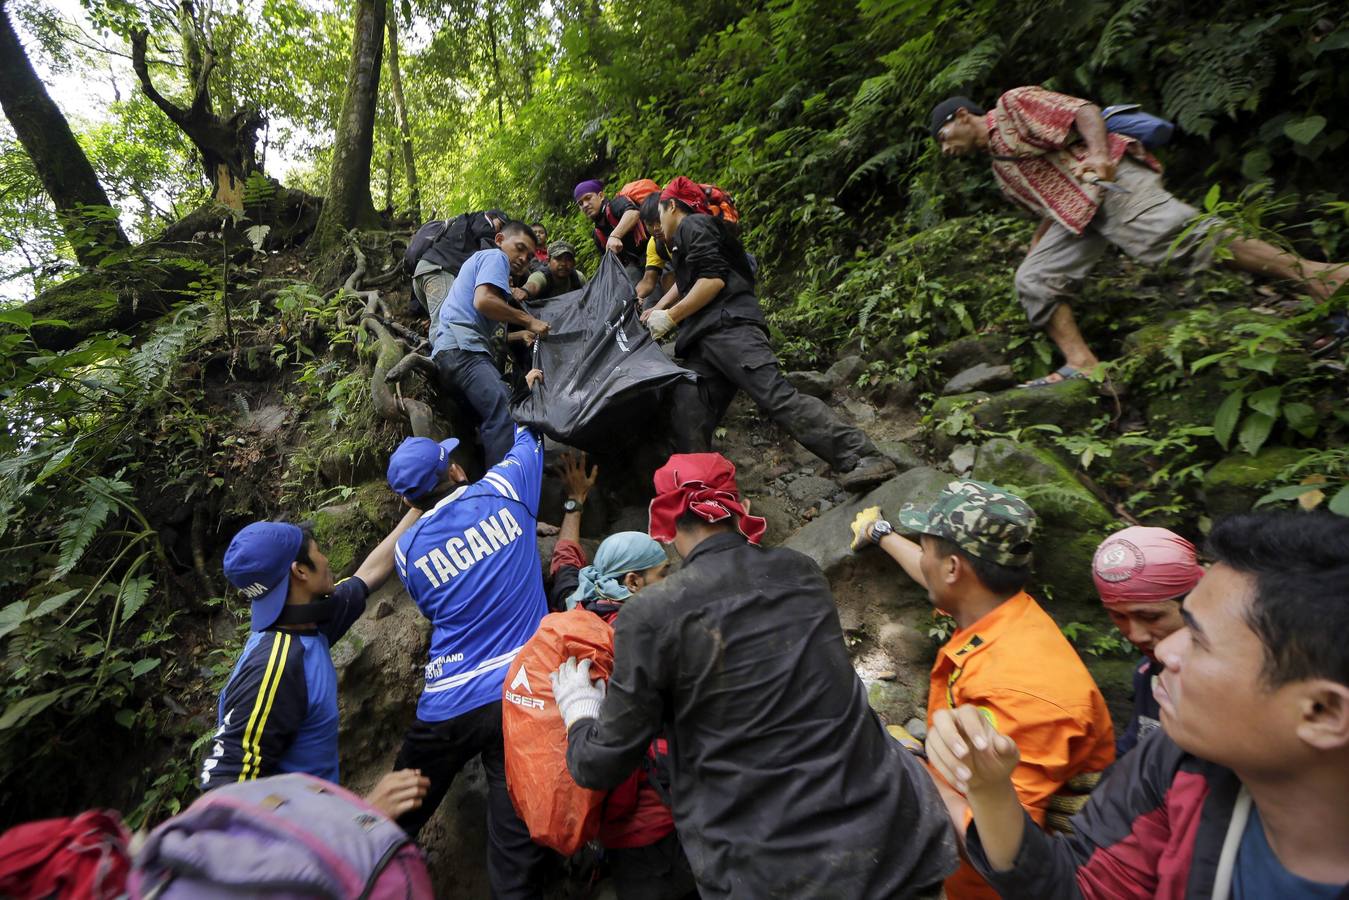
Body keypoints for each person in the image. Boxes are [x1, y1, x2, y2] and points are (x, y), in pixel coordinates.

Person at [550, 452, 958, 899]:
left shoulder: (651, 613)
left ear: (667, 514)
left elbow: (600, 763)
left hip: (773, 870)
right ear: (734, 505)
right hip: (895, 838)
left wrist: (580, 713)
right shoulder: (800, 571)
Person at [928, 510, 1349, 898]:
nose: (1165, 652)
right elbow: (1078, 887)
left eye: (1198, 638)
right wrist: (990, 789)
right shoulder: (1175, 759)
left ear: (1322, 712)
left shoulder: (1182, 747)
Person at [930, 89, 1348, 386]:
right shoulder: (1001, 171)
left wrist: (1096, 155)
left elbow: (1082, 111)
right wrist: (1036, 247)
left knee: (1177, 237)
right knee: (1034, 279)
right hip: (1077, 215)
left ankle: (1320, 277)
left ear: (963, 116)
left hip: (1111, 180)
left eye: (943, 138)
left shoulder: (1012, 105)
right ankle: (1083, 364)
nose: (945, 150)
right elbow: (1047, 207)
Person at [848, 480, 1115, 899]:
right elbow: (934, 573)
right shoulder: (999, 611)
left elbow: (1000, 853)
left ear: (954, 569)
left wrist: (907, 763)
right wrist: (883, 536)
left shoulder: (1021, 690)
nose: (923, 557)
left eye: (927, 547)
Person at [644, 177, 896, 492]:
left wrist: (670, 316)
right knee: (689, 408)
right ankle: (699, 491)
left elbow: (712, 281)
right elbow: (691, 280)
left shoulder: (693, 225)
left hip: (730, 328)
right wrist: (660, 310)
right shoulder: (686, 240)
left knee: (776, 397)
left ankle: (863, 456)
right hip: (705, 340)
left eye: (657, 215)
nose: (654, 226)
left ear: (671, 205)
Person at [385, 425, 551, 898]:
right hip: (520, 691)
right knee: (514, 840)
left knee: (396, 811)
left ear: (407, 503)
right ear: (455, 469)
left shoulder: (406, 551)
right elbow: (531, 434)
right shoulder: (504, 486)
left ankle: (366, 873)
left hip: (448, 705)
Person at [522, 451, 695, 899]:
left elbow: (565, 560)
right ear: (633, 582)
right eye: (664, 573)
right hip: (659, 820)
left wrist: (575, 503)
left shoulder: (578, 606)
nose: (671, 581)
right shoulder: (638, 638)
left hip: (613, 824)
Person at [199, 511, 431, 821]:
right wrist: (365, 816)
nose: (325, 558)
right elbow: (223, 797)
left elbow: (368, 575)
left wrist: (417, 510)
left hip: (325, 827)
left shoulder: (306, 620)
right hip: (303, 852)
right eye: (318, 550)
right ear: (300, 572)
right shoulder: (275, 668)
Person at [430, 219, 549, 466]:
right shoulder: (495, 258)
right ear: (499, 240)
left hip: (453, 352)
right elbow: (483, 302)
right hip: (464, 352)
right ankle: (501, 492)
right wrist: (529, 321)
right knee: (505, 414)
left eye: (529, 256)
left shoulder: (490, 269)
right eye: (519, 248)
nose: (522, 259)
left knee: (484, 419)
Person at [1092, 525, 1203, 757]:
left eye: (1151, 616)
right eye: (1118, 616)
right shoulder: (1148, 671)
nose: (1135, 635)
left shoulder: (1231, 682)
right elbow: (1134, 746)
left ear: (1195, 602)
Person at [412, 208, 507, 341]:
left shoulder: (464, 224)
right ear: (492, 216)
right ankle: (441, 359)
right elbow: (487, 250)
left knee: (446, 323)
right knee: (445, 325)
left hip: (426, 271)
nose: (499, 231)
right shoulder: (483, 220)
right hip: (439, 272)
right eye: (501, 225)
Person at [575, 180, 646, 284]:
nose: (585, 205)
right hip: (635, 267)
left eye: (588, 198)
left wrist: (615, 236)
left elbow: (633, 213)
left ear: (601, 196)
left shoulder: (616, 204)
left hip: (653, 253)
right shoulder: (597, 233)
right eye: (580, 203)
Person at [634, 193, 673, 307]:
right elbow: (648, 281)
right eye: (650, 224)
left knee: (668, 277)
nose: (656, 228)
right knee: (667, 277)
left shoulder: (686, 230)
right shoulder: (655, 243)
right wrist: (633, 297)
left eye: (659, 221)